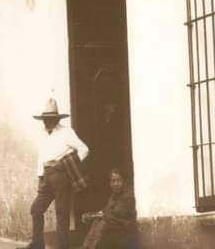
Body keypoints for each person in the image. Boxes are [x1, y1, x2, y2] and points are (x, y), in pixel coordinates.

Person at [20, 98, 90, 249]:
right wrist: (40, 177)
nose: (47, 122)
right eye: (45, 119)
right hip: (47, 176)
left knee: (61, 213)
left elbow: (84, 149)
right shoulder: (42, 134)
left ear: (56, 119)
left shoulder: (67, 132)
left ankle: (63, 246)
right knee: (36, 209)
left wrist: (66, 164)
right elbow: (41, 156)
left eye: (50, 119)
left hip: (61, 176)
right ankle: (38, 244)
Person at [82, 168, 138, 249]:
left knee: (101, 222)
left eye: (118, 180)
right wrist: (94, 215)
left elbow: (117, 214)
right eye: (113, 181)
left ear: (124, 181)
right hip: (114, 229)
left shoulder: (127, 196)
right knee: (97, 221)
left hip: (125, 231)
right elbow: (106, 211)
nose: (116, 183)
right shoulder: (113, 196)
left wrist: (97, 215)